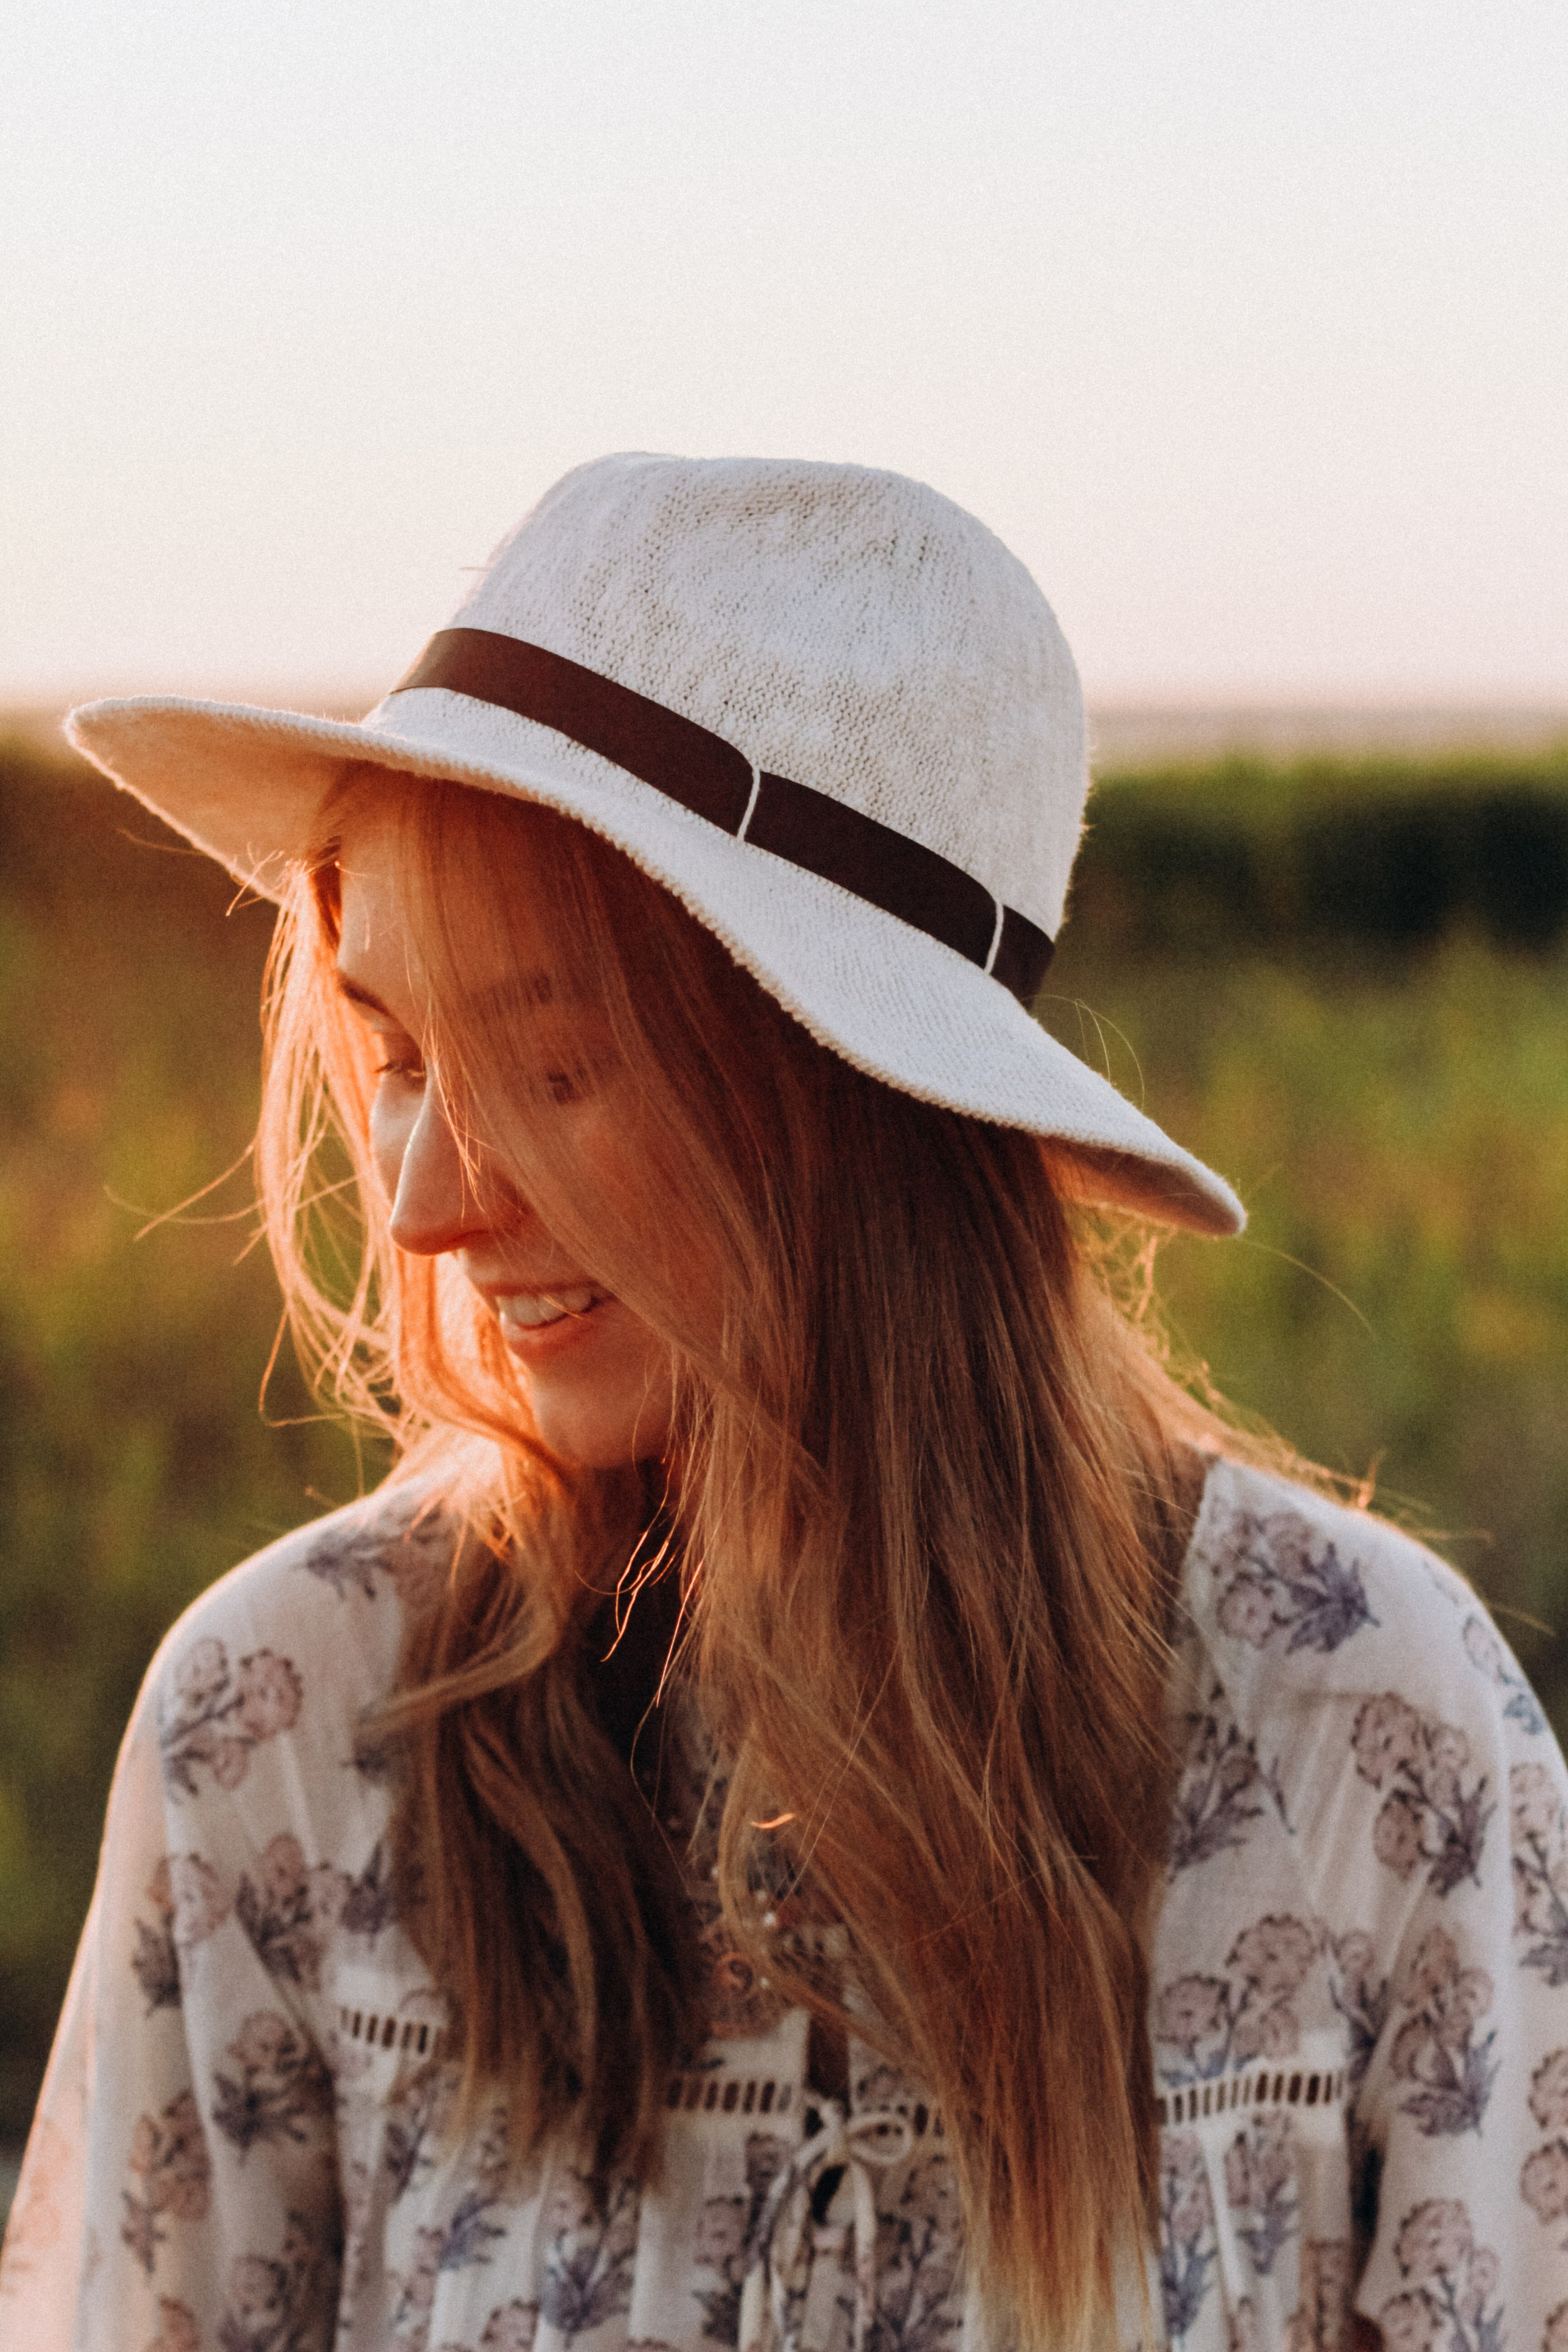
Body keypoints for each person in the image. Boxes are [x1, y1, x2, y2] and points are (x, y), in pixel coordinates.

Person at [1, 454, 1564, 2352]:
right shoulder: (282, 1731)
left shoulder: (1370, 1740)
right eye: (400, 1054)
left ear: (861, 1104)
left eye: (553, 1063)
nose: (418, 1200)